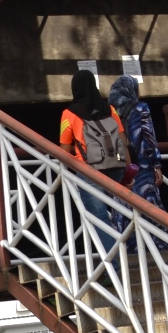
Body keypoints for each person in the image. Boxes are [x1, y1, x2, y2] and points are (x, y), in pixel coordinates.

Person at [58, 70, 130, 253]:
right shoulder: (110, 109)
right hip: (116, 167)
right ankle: (129, 253)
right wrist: (128, 170)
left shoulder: (68, 114)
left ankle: (114, 264)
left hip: (89, 171)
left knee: (99, 219)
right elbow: (123, 141)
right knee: (122, 212)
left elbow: (64, 151)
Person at [108, 75, 163, 210]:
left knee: (123, 206)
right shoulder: (141, 108)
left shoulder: (109, 111)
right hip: (141, 165)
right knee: (147, 207)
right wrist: (157, 165)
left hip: (119, 164)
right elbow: (149, 138)